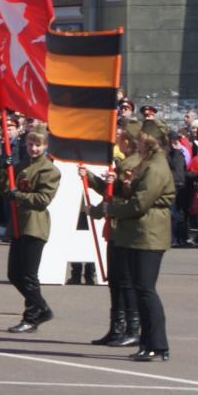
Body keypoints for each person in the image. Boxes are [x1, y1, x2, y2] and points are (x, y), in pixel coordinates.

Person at [91, 120, 176, 362]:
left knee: (146, 291)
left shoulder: (155, 167)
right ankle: (149, 342)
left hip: (148, 234)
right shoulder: (147, 164)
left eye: (140, 139)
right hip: (139, 232)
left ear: (149, 142)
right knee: (141, 290)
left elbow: (140, 203)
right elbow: (126, 192)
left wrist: (110, 210)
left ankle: (157, 344)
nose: (135, 142)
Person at [80, 130, 142, 349]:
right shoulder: (124, 164)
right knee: (116, 281)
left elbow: (120, 196)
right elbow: (111, 193)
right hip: (115, 228)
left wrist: (97, 209)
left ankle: (132, 329)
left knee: (124, 282)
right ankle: (117, 328)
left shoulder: (131, 166)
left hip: (124, 230)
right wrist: (90, 177)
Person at [2, 128, 62, 333]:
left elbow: (42, 200)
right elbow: (4, 190)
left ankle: (31, 316)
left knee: (28, 275)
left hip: (34, 225)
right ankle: (42, 308)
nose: (34, 148)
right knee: (13, 274)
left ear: (46, 146)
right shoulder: (21, 166)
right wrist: (5, 170)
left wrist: (18, 195)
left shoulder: (49, 170)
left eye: (38, 145)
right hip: (18, 224)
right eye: (30, 144)